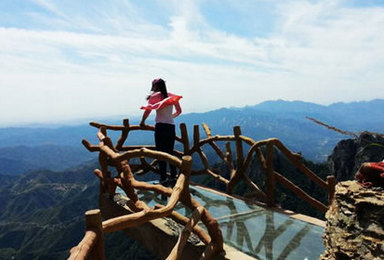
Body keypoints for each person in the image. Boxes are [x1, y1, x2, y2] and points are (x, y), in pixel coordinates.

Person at [140, 78, 182, 186]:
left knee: (161, 153)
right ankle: (173, 177)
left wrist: (142, 122)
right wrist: (170, 117)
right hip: (171, 126)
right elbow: (179, 111)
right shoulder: (172, 96)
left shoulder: (154, 96)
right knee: (170, 152)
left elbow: (148, 110)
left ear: (155, 86)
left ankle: (163, 179)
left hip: (160, 127)